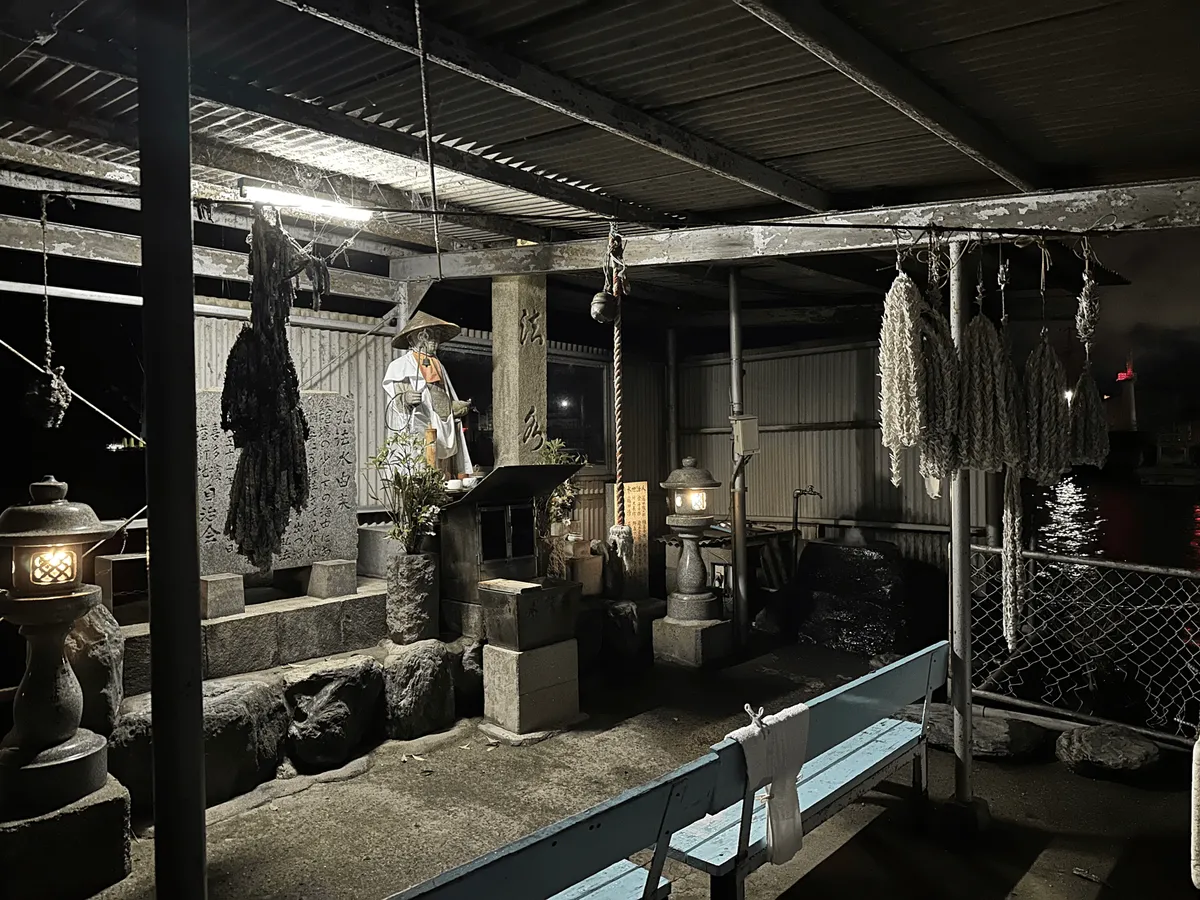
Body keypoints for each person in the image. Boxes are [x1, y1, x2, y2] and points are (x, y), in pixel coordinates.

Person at [382, 311, 473, 477]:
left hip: (443, 429)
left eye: (436, 335)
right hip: (419, 429)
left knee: (443, 472)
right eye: (428, 335)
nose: (433, 340)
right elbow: (396, 403)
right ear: (412, 339)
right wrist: (405, 398)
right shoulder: (400, 366)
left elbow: (441, 395)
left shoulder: (438, 364)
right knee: (422, 470)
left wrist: (454, 407)